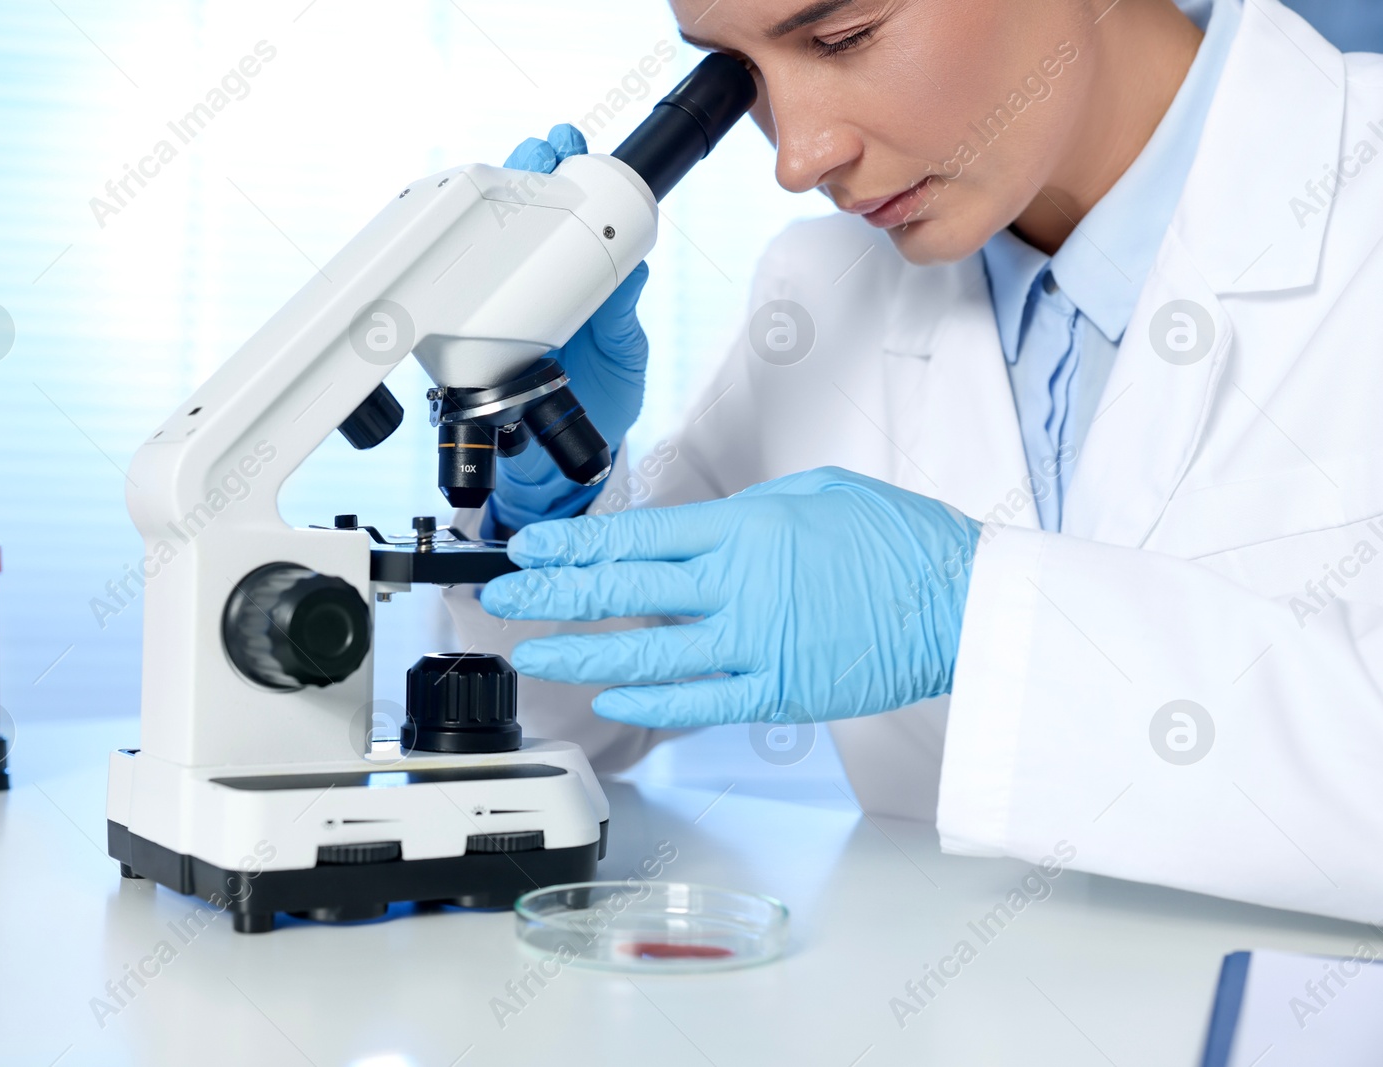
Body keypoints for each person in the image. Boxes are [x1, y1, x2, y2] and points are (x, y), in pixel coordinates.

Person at [444, 0, 1383, 926]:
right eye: (741, 77)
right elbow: (564, 724)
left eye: (844, 37)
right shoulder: (819, 293)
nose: (798, 156)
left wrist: (983, 613)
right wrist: (544, 501)